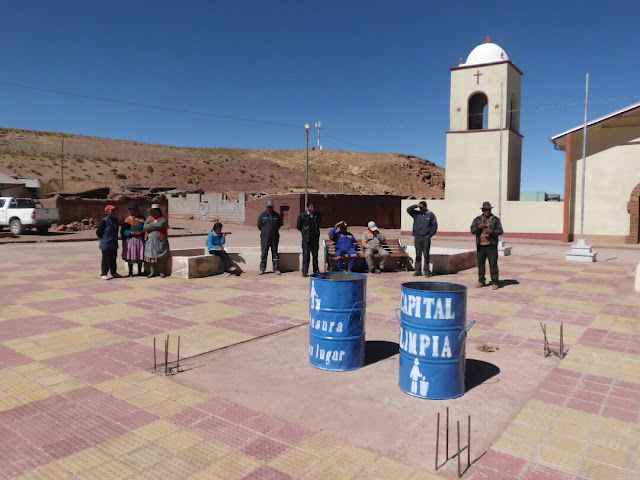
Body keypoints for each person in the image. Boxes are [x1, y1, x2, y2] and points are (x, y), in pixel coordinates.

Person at [470, 201, 503, 290]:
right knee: (480, 264)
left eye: (488, 210)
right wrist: (478, 228)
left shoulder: (495, 219)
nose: (487, 211)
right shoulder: (477, 219)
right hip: (480, 246)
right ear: (483, 210)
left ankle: (495, 282)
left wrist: (492, 232)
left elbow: (500, 231)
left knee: (493, 264)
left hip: (491, 246)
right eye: (485, 210)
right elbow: (472, 230)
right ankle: (481, 281)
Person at [406, 201, 438, 277]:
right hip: (417, 237)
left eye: (422, 207)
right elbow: (408, 210)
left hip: (425, 238)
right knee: (418, 255)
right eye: (419, 208)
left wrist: (430, 235)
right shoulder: (416, 214)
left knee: (426, 255)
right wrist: (416, 205)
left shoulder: (430, 215)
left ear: (425, 207)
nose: (420, 209)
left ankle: (427, 271)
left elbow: (434, 226)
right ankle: (418, 270)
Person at [143, 203, 170, 278]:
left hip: (160, 241)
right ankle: (152, 272)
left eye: (154, 211)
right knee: (151, 257)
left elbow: (160, 225)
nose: (153, 213)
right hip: (150, 241)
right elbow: (145, 227)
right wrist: (154, 225)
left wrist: (151, 225)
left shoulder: (163, 219)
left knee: (161, 256)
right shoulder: (150, 218)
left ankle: (162, 272)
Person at [96, 204, 122, 280]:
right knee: (106, 259)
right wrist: (103, 238)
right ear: (107, 211)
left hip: (113, 243)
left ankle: (113, 272)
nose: (114, 212)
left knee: (113, 258)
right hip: (106, 243)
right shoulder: (104, 221)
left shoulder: (115, 220)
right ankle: (104, 273)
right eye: (112, 210)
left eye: (114, 210)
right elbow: (98, 232)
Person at [297, 201, 321, 277]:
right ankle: (304, 271)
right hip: (306, 238)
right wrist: (304, 232)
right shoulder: (302, 215)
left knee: (315, 255)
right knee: (306, 255)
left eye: (314, 207)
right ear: (308, 207)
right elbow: (299, 226)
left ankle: (316, 270)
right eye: (311, 207)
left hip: (315, 238)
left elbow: (319, 224)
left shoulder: (317, 215)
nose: (312, 208)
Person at [256, 200, 281, 275]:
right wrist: (265, 232)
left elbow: (279, 225)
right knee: (264, 253)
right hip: (265, 237)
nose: (270, 208)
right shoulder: (262, 215)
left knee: (275, 253)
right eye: (268, 207)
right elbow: (259, 225)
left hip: (274, 237)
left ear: (273, 207)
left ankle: (276, 269)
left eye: (271, 207)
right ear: (266, 207)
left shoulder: (276, 216)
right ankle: (262, 269)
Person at [121, 202, 146, 277]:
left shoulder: (142, 219)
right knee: (130, 255)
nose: (133, 211)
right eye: (131, 210)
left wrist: (141, 232)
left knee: (139, 255)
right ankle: (130, 272)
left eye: (134, 209)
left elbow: (145, 229)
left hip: (139, 240)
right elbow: (124, 231)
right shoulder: (128, 219)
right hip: (131, 240)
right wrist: (130, 233)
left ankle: (139, 271)